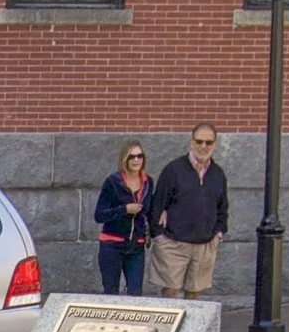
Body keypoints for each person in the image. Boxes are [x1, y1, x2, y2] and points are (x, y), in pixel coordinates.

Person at [150, 124, 229, 297]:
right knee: (170, 294)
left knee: (194, 295)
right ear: (191, 142)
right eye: (199, 141)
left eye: (208, 142)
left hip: (204, 246)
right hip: (173, 244)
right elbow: (157, 205)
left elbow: (223, 208)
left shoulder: (218, 174)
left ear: (215, 145)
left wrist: (218, 235)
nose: (203, 146)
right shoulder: (173, 170)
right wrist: (159, 237)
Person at [93, 140, 154, 294]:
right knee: (111, 292)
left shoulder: (148, 182)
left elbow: (150, 210)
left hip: (136, 246)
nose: (136, 160)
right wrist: (124, 209)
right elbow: (99, 215)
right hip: (112, 244)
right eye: (131, 157)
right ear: (124, 159)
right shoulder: (113, 182)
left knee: (135, 293)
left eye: (139, 156)